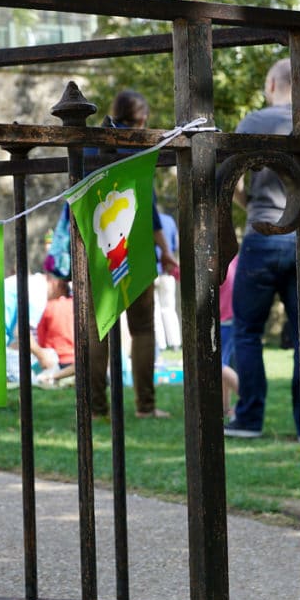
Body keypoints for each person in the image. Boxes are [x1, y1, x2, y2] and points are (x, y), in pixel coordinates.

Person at [225, 58, 300, 440]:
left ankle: (248, 420)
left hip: (261, 237)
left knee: (247, 331)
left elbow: (229, 182)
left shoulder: (250, 124)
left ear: (271, 84)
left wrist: (255, 207)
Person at [86, 90, 179, 419]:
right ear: (141, 119)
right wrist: (166, 252)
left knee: (98, 328)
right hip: (136, 245)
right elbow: (151, 211)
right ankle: (145, 406)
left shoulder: (89, 145)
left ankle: (96, 410)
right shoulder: (139, 149)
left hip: (98, 248)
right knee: (141, 329)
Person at [33, 273, 75, 387]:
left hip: (55, 362)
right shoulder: (77, 305)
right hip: (75, 360)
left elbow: (41, 341)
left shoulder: (48, 307)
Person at [153, 209, 182, 352]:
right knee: (169, 308)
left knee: (156, 310)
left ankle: (161, 344)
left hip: (152, 270)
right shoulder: (170, 220)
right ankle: (175, 342)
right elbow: (175, 245)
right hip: (168, 271)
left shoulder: (148, 217)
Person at [220, 255, 239, 418]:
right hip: (232, 317)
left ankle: (246, 397)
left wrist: (174, 271)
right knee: (223, 363)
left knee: (216, 365)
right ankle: (224, 407)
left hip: (223, 318)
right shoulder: (233, 257)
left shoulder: (212, 258)